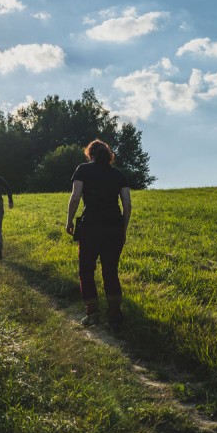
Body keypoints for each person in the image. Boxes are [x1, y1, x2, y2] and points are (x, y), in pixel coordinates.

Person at [66, 139, 132, 330]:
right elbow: (127, 204)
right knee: (110, 271)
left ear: (90, 154)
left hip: (91, 227)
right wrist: (123, 229)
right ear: (109, 155)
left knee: (86, 270)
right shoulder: (119, 175)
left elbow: (76, 196)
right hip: (114, 228)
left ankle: (92, 313)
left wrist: (69, 220)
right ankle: (115, 317)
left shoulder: (83, 170)